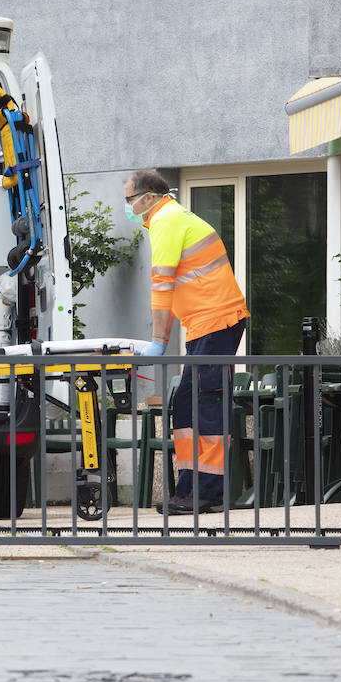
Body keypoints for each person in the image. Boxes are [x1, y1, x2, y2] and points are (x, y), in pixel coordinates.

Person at [124, 168, 249, 514]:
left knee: (205, 406)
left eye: (130, 198)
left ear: (149, 197)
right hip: (206, 326)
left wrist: (158, 340)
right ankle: (191, 490)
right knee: (187, 405)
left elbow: (161, 285)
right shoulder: (170, 218)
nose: (128, 205)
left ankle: (205, 493)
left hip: (215, 322)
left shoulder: (166, 221)